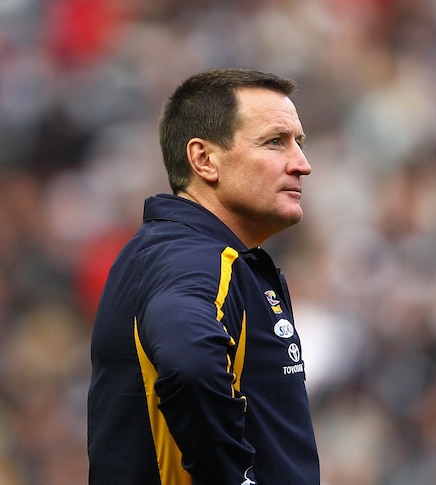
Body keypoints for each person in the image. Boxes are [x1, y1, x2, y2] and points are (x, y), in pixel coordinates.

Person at [87, 68, 319, 485]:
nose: (302, 165)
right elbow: (189, 362)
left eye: (298, 143)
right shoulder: (193, 259)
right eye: (275, 142)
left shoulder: (182, 253)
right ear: (204, 159)